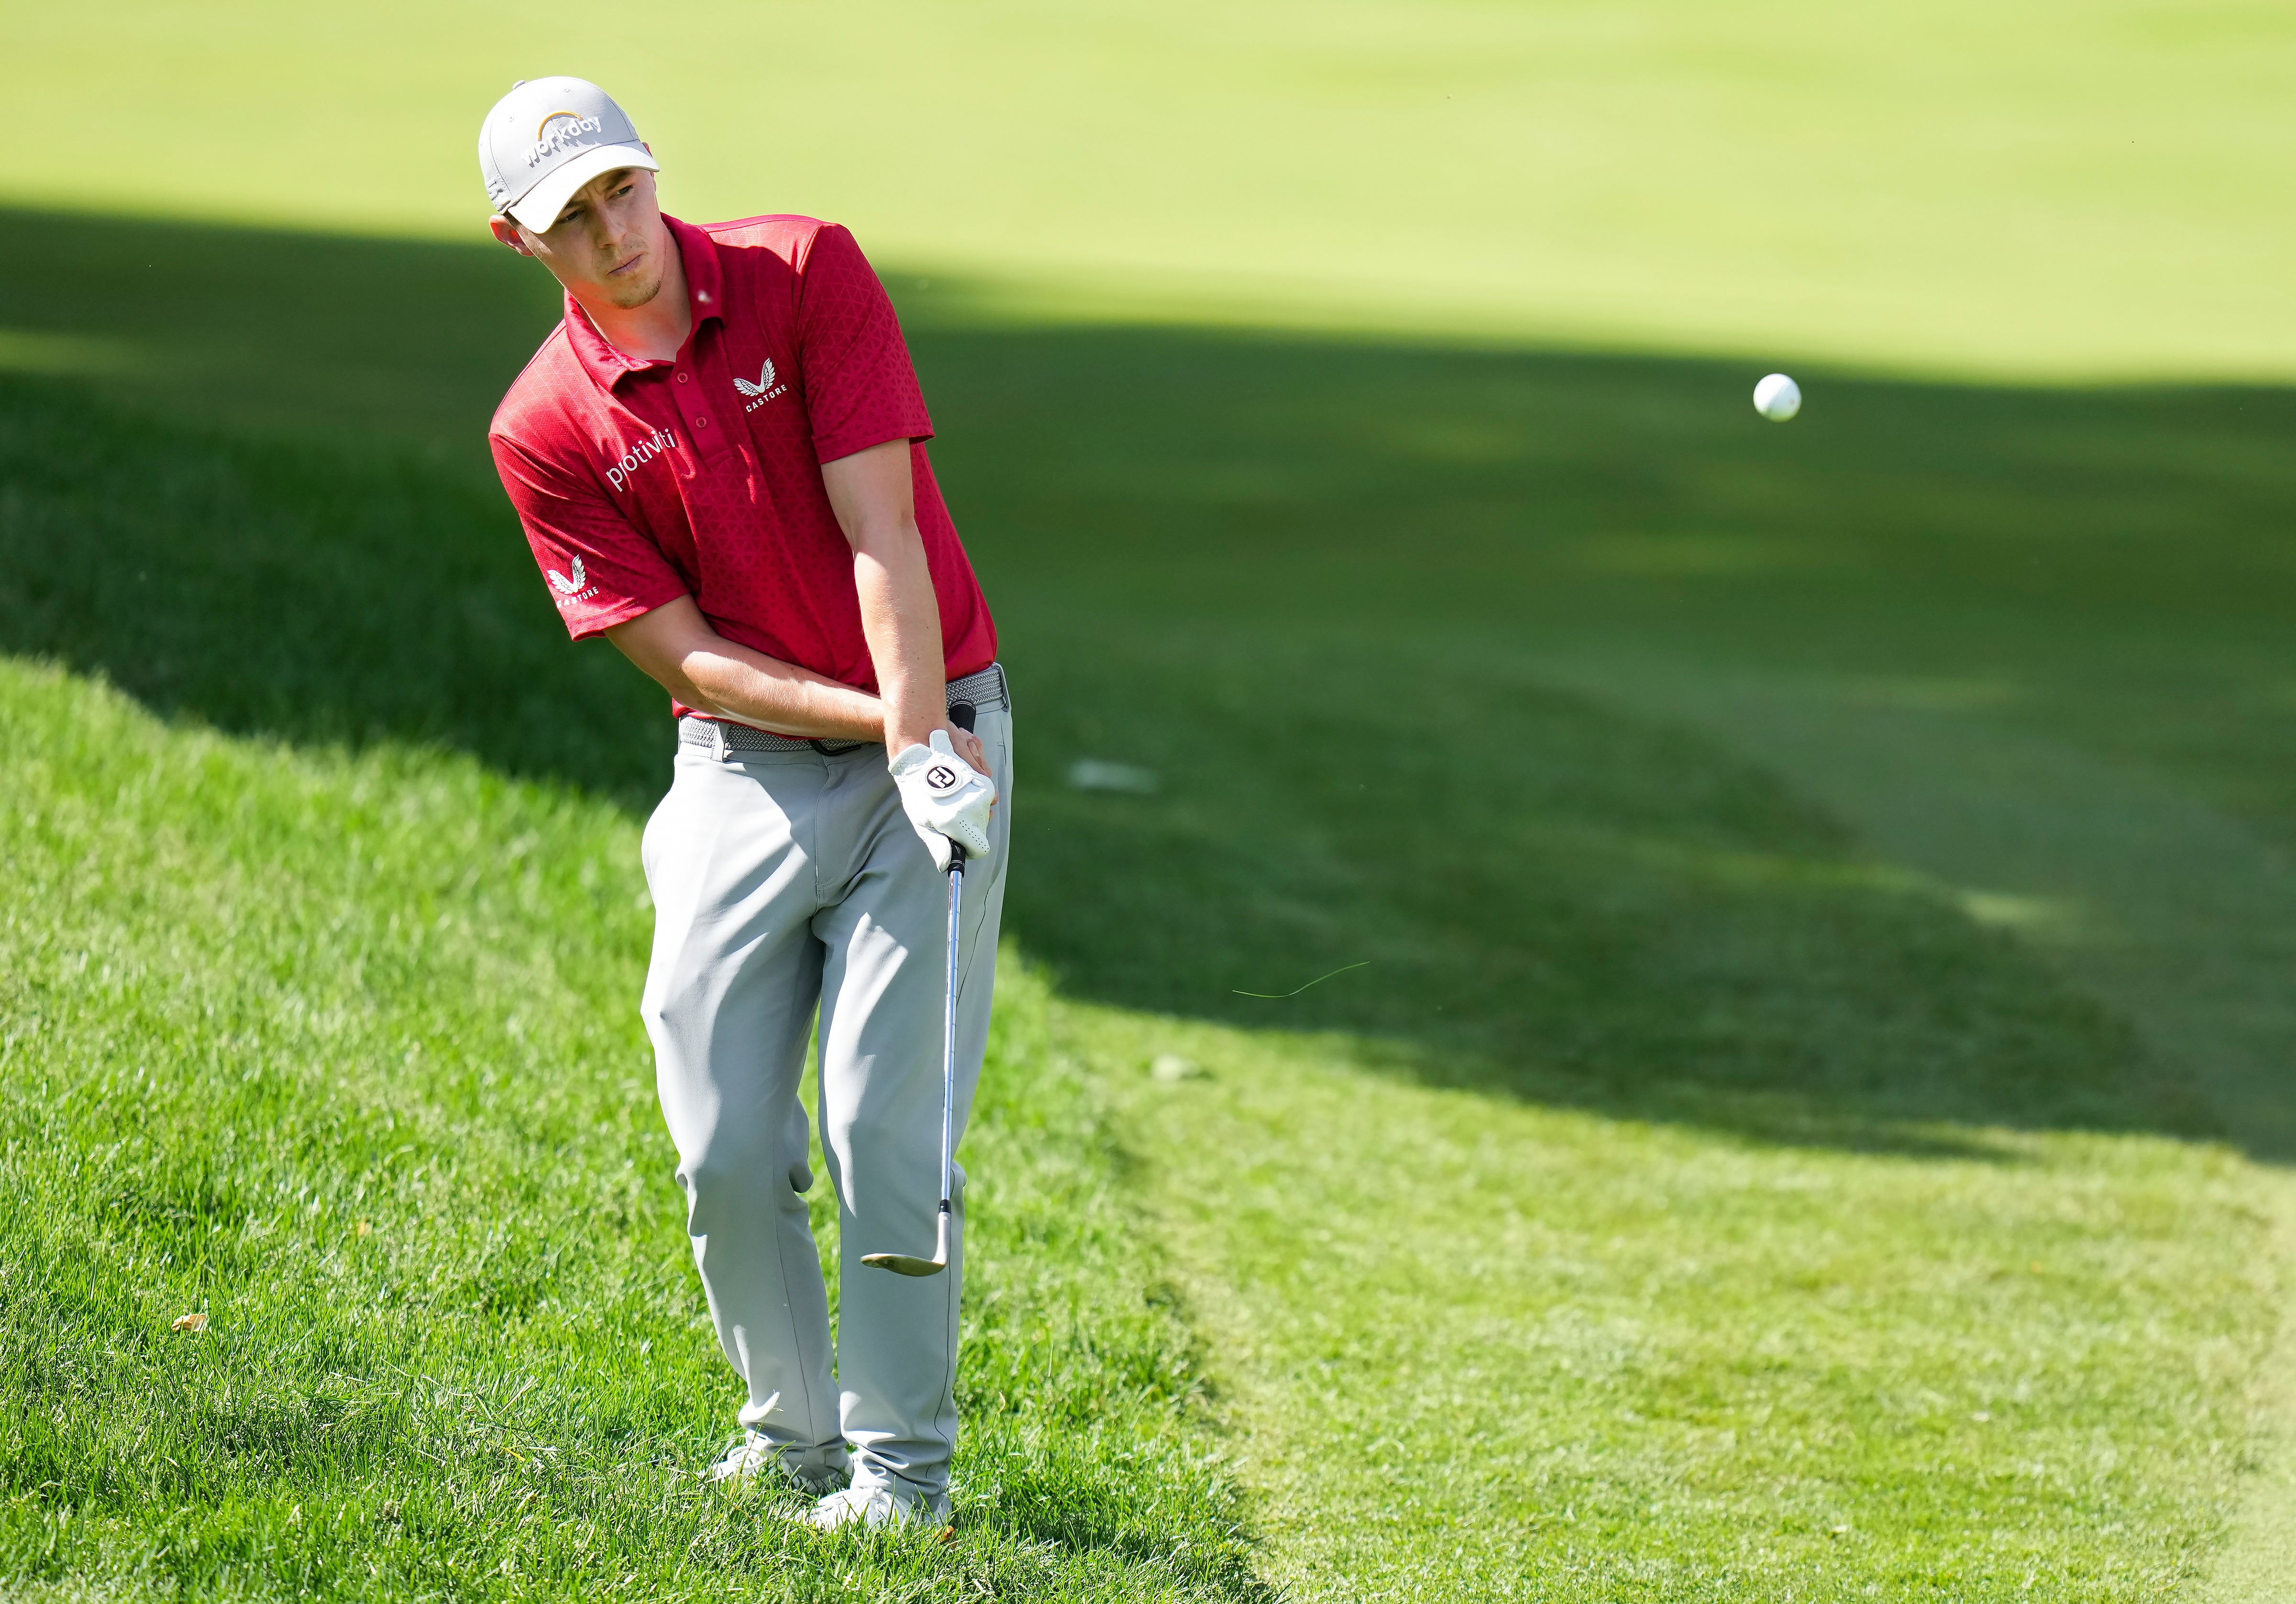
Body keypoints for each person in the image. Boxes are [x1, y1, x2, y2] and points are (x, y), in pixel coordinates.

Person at [476, 77, 1010, 1530]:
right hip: (744, 762)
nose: (613, 236)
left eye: (620, 193)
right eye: (569, 222)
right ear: (519, 243)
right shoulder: (542, 426)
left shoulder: (800, 270)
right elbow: (686, 655)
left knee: (881, 1129)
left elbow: (881, 527)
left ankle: (903, 1476)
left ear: (654, 174)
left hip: (938, 726)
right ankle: (793, 1441)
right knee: (717, 1127)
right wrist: (879, 735)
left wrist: (924, 747)